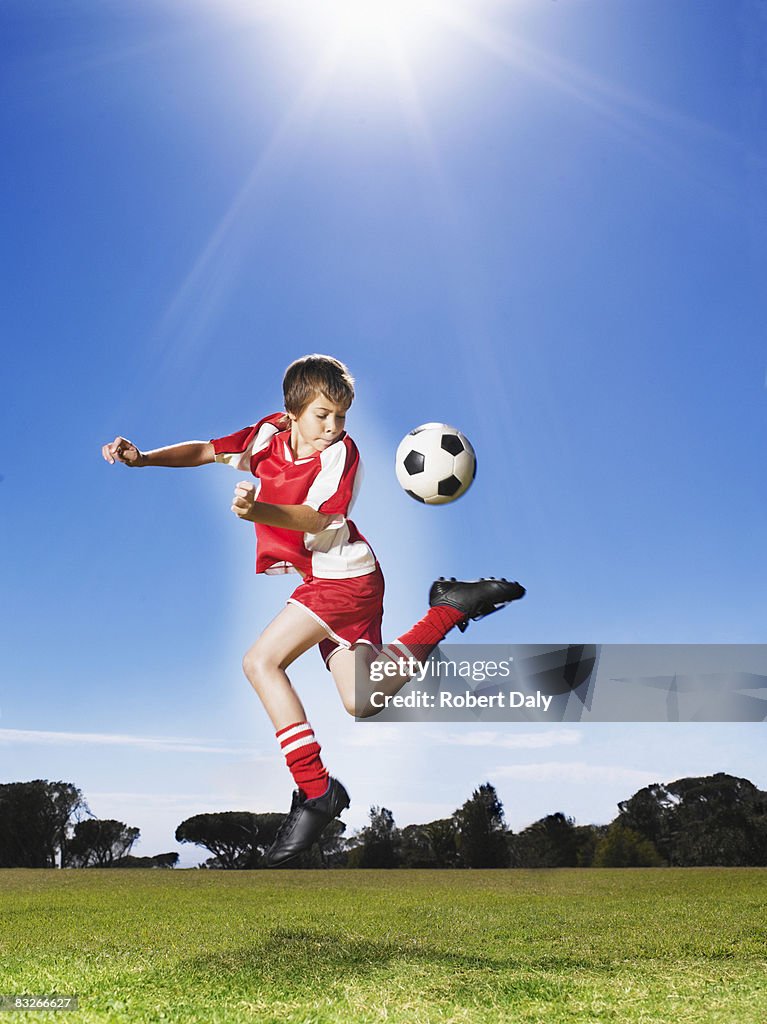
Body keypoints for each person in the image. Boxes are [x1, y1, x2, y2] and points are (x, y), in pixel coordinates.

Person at [102, 354, 525, 866]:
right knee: (361, 700)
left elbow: (314, 516)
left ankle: (316, 791)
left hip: (344, 581)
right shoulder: (265, 438)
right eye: (323, 415)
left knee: (260, 662)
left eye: (341, 416)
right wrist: (144, 457)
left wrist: (256, 509)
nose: (333, 427)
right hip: (340, 581)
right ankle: (449, 611)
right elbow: (206, 450)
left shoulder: (342, 456)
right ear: (293, 411)